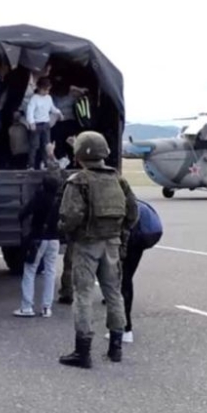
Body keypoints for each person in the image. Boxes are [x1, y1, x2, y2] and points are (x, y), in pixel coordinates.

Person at [57, 131, 138, 369]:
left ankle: (83, 352)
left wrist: (63, 229)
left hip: (86, 242)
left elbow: (70, 216)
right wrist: (120, 232)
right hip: (112, 242)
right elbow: (133, 213)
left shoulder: (78, 181)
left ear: (79, 154)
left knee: (82, 294)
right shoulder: (118, 179)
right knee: (113, 293)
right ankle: (116, 348)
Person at [15, 144, 62, 317]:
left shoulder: (39, 197)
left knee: (30, 271)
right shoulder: (59, 200)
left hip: (38, 237)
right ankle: (46, 307)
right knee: (50, 272)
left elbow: (24, 212)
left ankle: (27, 307)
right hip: (54, 238)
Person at [119, 198, 163, 343]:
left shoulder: (119, 202)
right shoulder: (135, 201)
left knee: (124, 279)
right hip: (149, 233)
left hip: (135, 236)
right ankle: (125, 325)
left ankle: (125, 327)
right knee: (127, 277)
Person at [25, 77, 61, 170]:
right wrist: (31, 122)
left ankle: (45, 163)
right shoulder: (34, 98)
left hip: (46, 124)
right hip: (36, 124)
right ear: (39, 88)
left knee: (47, 145)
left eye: (48, 89)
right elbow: (30, 111)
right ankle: (31, 164)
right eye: (45, 89)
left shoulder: (49, 98)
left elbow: (52, 108)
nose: (46, 92)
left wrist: (58, 113)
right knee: (34, 145)